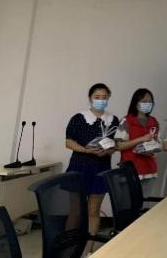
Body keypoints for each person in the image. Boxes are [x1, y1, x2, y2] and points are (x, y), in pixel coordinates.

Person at [65, 83, 119, 253]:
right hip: (79, 167)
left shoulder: (113, 120)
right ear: (90, 98)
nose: (101, 100)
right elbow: (68, 142)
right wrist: (87, 150)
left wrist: (109, 150)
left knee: (94, 211)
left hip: (101, 168)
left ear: (108, 98)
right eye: (97, 97)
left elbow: (116, 144)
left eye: (104, 97)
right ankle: (69, 247)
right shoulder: (79, 118)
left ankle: (90, 249)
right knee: (75, 211)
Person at [115, 88, 160, 198]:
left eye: (150, 101)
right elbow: (119, 146)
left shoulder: (154, 121)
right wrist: (141, 139)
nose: (147, 104)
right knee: (130, 204)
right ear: (136, 103)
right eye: (144, 101)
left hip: (149, 170)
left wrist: (153, 151)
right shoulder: (126, 121)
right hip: (131, 170)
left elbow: (158, 144)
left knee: (145, 204)